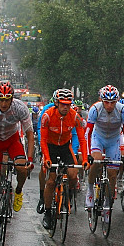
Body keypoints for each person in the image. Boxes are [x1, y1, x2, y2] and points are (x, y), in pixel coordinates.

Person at [0, 81, 35, 236]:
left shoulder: (20, 108)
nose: (4, 103)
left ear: (12, 98)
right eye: (1, 99)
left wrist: (29, 157)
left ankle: (18, 191)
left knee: (22, 168)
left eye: (7, 99)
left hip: (12, 139)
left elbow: (29, 133)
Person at [39, 88, 88, 230]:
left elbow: (82, 139)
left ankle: (68, 194)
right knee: (51, 180)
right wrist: (47, 158)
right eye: (62, 104)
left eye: (68, 104)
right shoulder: (47, 116)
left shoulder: (75, 117)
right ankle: (47, 213)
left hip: (66, 147)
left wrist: (84, 159)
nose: (65, 107)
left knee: (73, 175)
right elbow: (42, 140)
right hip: (51, 147)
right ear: (56, 103)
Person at [84, 85, 124, 219]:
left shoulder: (123, 110)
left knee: (112, 174)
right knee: (96, 161)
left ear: (117, 101)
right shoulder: (95, 109)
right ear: (101, 100)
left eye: (112, 102)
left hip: (114, 140)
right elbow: (87, 133)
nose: (109, 106)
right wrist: (88, 153)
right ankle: (90, 189)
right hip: (97, 138)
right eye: (106, 102)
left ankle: (107, 202)